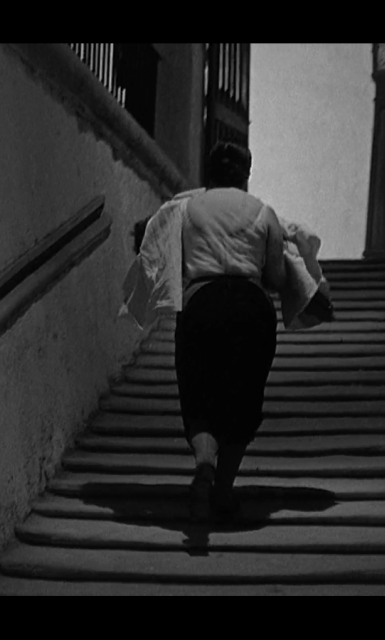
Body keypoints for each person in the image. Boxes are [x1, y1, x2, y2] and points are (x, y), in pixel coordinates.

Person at [128, 142, 288, 522]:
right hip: (251, 307)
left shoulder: (186, 208)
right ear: (246, 175)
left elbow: (158, 252)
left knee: (198, 395)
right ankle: (224, 491)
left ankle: (204, 462)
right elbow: (277, 277)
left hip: (202, 303)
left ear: (208, 173)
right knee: (243, 398)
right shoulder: (264, 212)